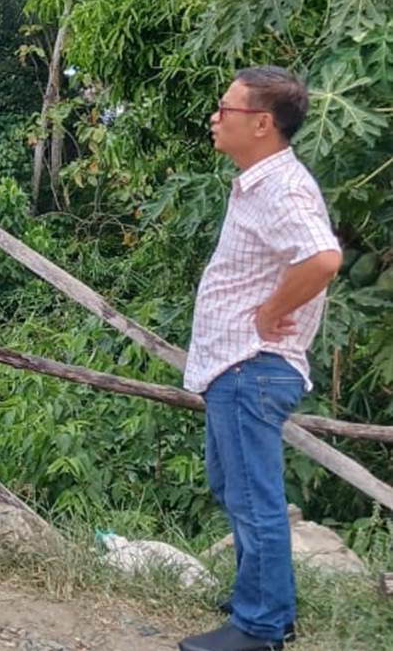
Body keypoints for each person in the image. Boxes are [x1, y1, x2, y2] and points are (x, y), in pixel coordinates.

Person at [178, 67, 340, 651]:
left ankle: (261, 626)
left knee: (254, 496)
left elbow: (321, 259)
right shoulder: (258, 182)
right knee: (235, 487)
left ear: (263, 124)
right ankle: (263, 598)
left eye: (226, 109)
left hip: (254, 363)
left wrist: (273, 310)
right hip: (235, 365)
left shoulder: (282, 187)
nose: (215, 118)